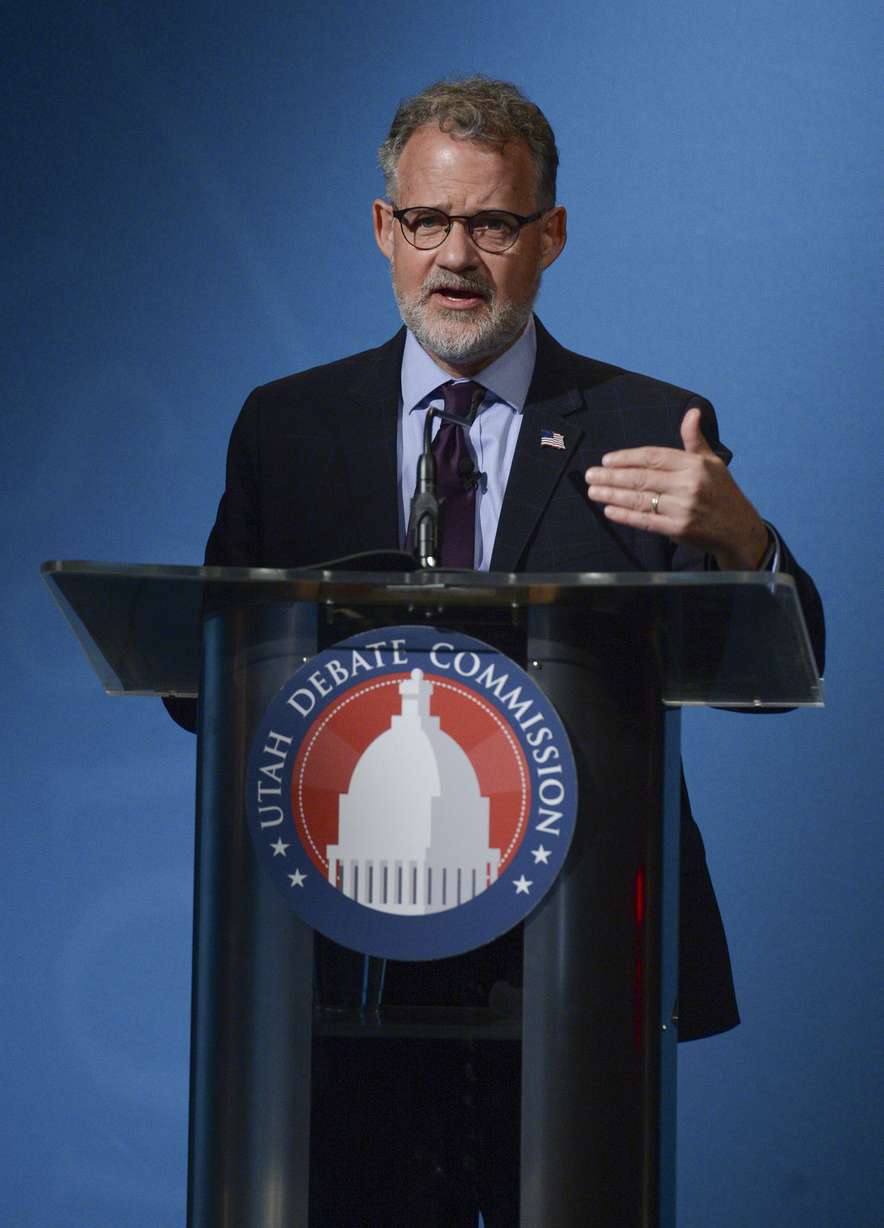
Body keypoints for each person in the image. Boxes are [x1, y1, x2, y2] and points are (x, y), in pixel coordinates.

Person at [174, 76, 825, 1225]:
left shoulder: (646, 424)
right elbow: (205, 683)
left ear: (550, 236)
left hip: (571, 963)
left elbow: (783, 680)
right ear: (384, 229)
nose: (455, 255)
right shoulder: (287, 426)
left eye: (491, 223)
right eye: (426, 221)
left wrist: (746, 542)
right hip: (340, 948)